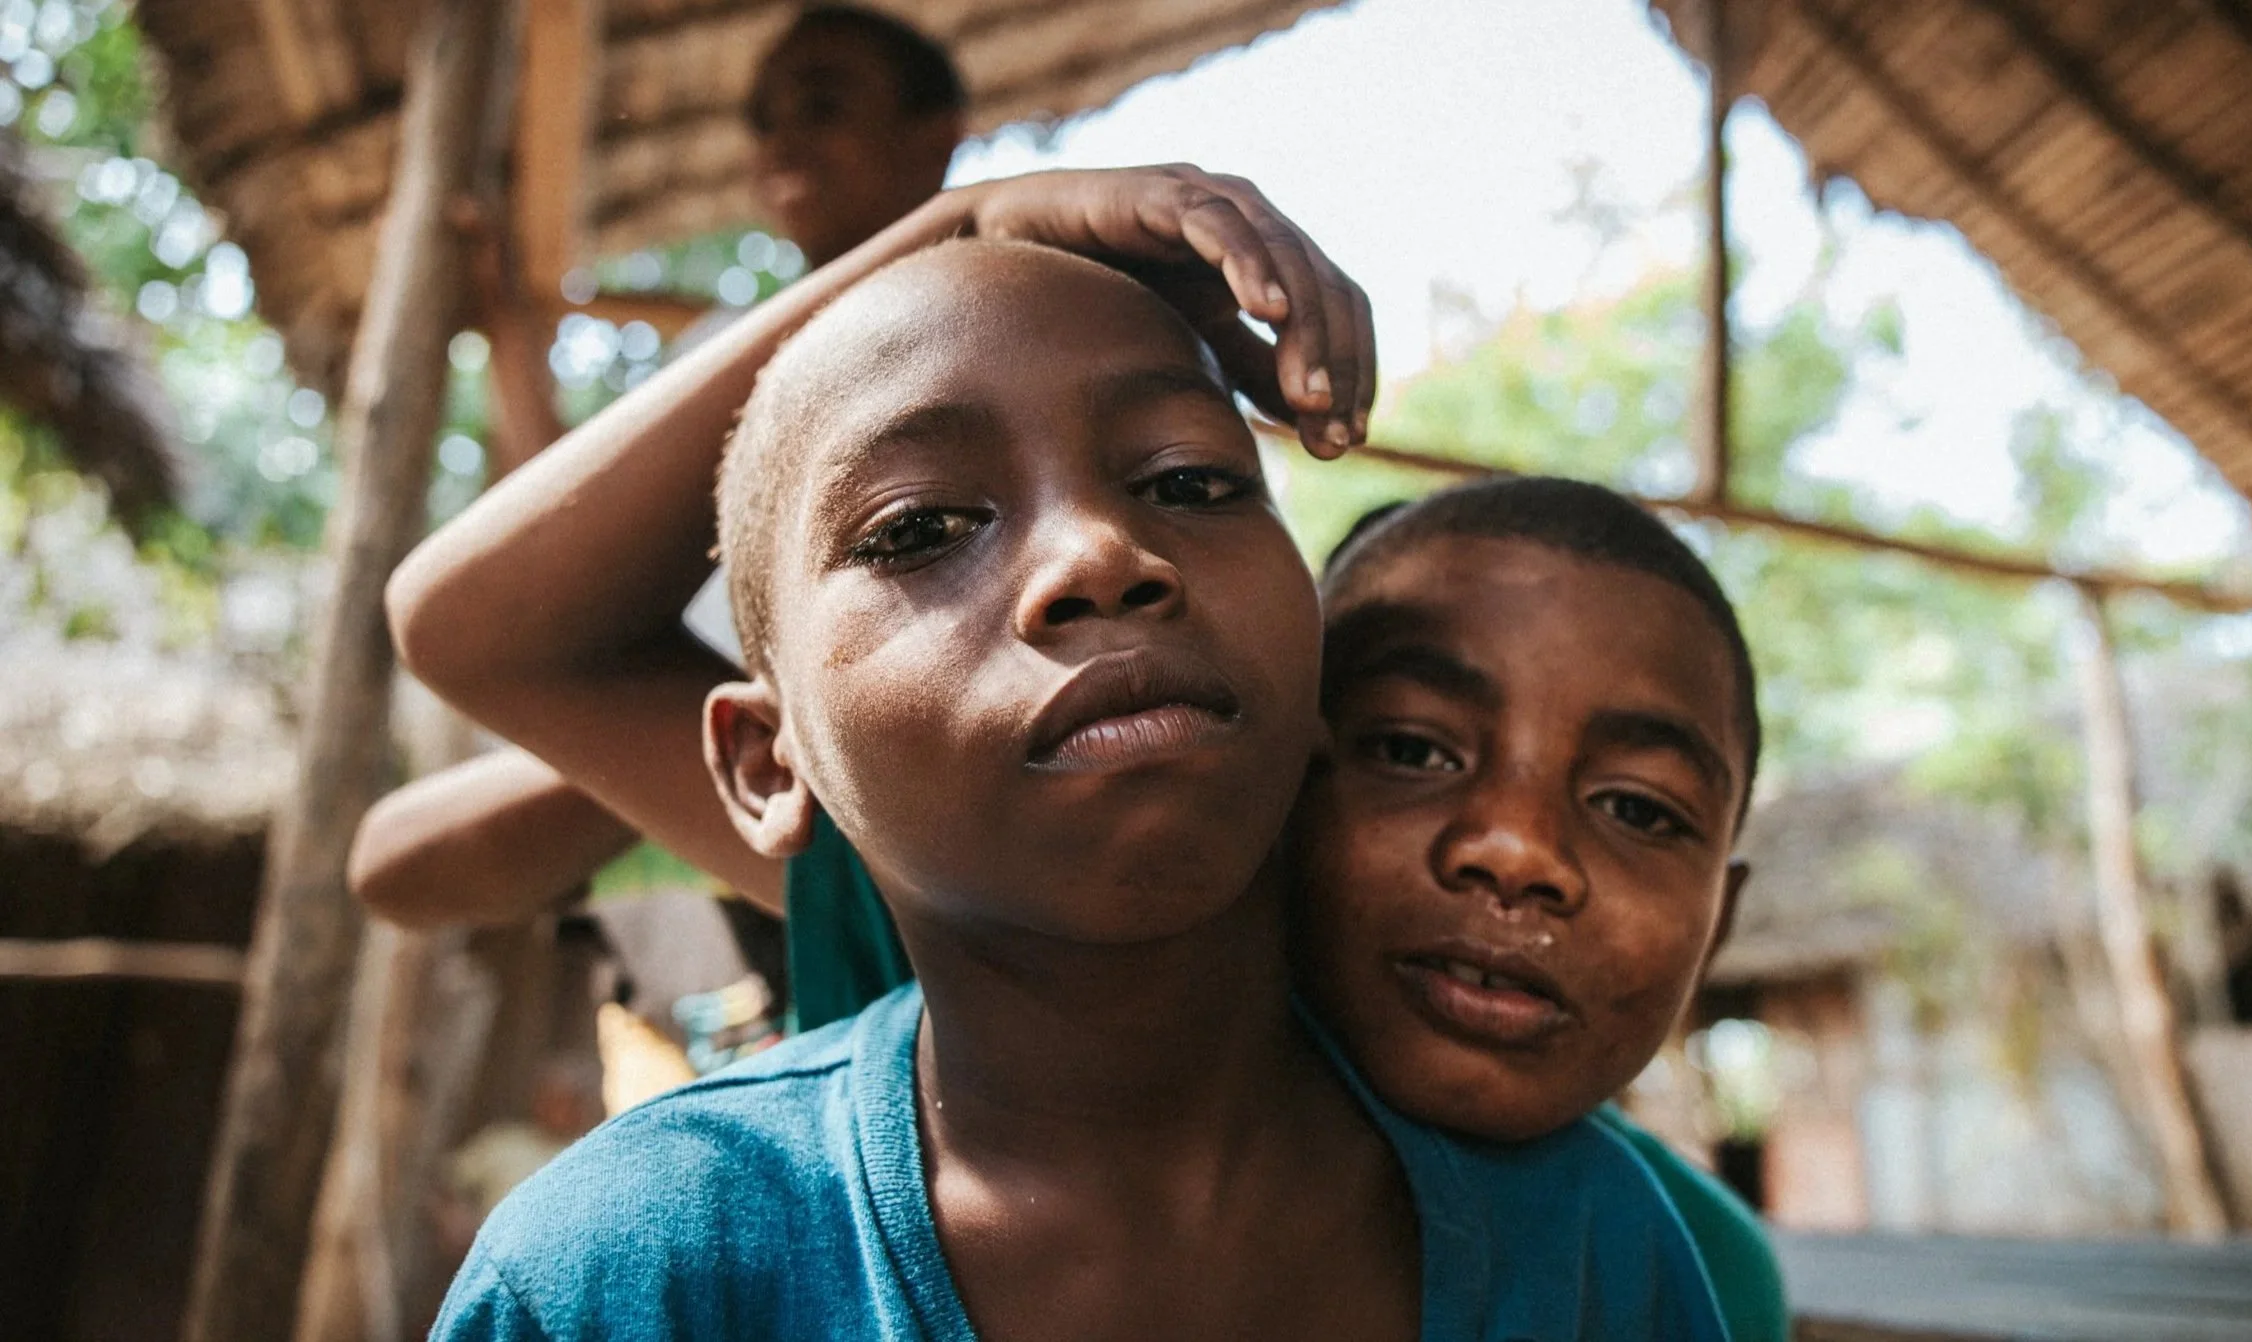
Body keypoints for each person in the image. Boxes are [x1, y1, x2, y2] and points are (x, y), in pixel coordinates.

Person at [396, 167, 1720, 1338]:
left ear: (1315, 676)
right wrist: (959, 224)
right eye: (917, 528)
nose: (1100, 553)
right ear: (765, 760)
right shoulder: (635, 1272)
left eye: (1194, 482)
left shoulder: (1596, 1254)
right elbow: (453, 685)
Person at [350, 2, 970, 934]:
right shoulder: (731, 353)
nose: (783, 139)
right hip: (739, 737)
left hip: (879, 765)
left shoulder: (985, 323)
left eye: (822, 102)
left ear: (935, 136)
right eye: (763, 120)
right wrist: (510, 330)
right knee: (397, 857)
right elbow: (559, 512)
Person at [1296, 479, 1787, 1342]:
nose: (1519, 850)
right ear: (1270, 779)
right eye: (1412, 749)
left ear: (1719, 926)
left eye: (1637, 808)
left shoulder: (1687, 1270)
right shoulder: (1058, 1128)